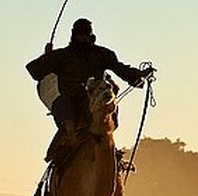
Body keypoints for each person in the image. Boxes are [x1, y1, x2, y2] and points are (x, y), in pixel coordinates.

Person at [26, 17, 154, 158]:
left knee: (109, 108)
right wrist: (47, 57)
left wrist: (139, 74)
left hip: (95, 102)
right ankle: (65, 144)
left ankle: (109, 149)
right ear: (74, 35)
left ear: (90, 34)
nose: (83, 38)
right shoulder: (61, 56)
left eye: (85, 34)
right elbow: (34, 71)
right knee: (62, 107)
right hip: (70, 104)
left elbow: (121, 69)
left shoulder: (102, 55)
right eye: (80, 34)